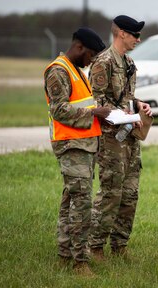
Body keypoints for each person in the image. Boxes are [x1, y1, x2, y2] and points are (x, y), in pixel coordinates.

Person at [44, 27, 111, 276]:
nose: (92, 61)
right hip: (71, 145)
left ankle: (64, 255)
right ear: (80, 47)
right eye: (91, 55)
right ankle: (79, 262)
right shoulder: (58, 71)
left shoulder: (75, 71)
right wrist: (94, 113)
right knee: (81, 205)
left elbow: (79, 104)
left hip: (82, 145)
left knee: (70, 201)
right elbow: (59, 110)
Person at [88, 15, 152, 260]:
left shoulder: (129, 62)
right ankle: (95, 247)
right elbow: (97, 101)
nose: (138, 39)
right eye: (135, 34)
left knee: (130, 193)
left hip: (130, 137)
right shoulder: (103, 62)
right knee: (111, 192)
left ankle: (119, 246)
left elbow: (126, 96)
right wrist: (120, 112)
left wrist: (139, 104)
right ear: (122, 33)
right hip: (111, 138)